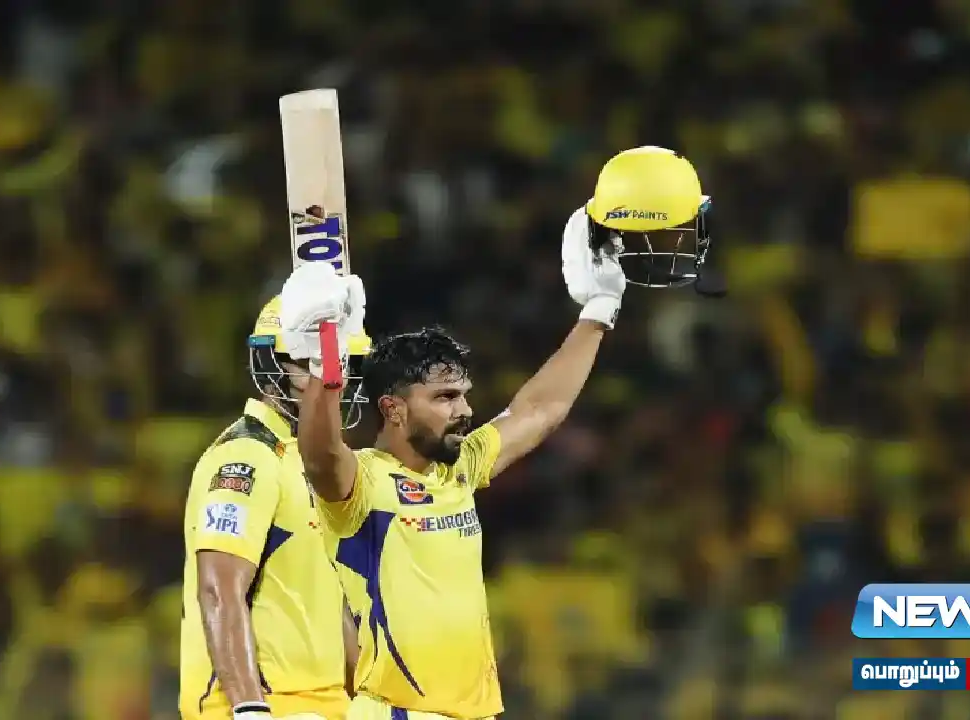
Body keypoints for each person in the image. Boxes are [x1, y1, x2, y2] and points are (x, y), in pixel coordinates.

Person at [280, 146, 711, 719]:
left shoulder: (459, 467)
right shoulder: (364, 485)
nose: (465, 409)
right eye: (444, 398)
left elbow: (541, 409)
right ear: (394, 410)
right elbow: (318, 455)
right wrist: (322, 365)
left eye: (463, 394)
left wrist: (599, 310)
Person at [179, 293, 368, 720]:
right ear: (271, 366)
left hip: (326, 706)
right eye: (310, 365)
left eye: (340, 365)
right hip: (265, 707)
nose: (332, 379)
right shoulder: (246, 457)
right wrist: (249, 708)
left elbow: (330, 604)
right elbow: (218, 587)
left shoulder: (314, 465)